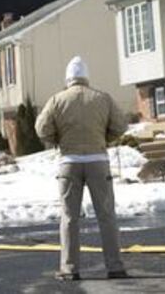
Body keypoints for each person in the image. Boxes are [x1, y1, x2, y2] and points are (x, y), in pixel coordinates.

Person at [36, 55, 129, 281]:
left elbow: (41, 129)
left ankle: (69, 268)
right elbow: (121, 125)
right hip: (98, 161)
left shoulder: (57, 100)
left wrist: (58, 139)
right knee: (106, 215)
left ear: (68, 78)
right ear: (86, 77)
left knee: (69, 217)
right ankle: (115, 267)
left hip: (69, 163)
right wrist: (104, 138)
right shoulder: (102, 98)